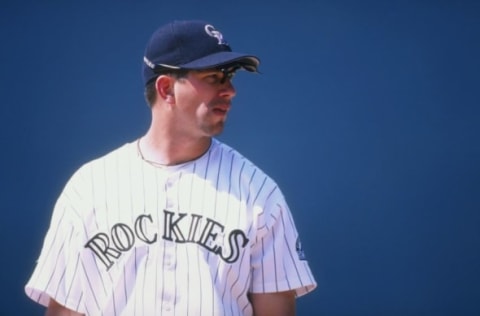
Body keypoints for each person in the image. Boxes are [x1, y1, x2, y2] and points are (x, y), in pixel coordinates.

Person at [25, 20, 317, 316]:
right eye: (214, 77)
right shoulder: (88, 189)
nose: (230, 90)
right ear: (166, 88)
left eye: (230, 77)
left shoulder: (259, 194)